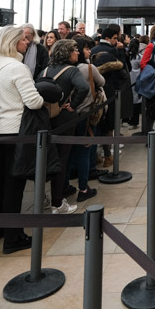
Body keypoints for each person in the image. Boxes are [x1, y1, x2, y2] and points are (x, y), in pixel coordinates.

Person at [0, 25, 44, 254]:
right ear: (12, 42)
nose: (27, 42)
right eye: (22, 40)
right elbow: (34, 102)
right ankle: (13, 236)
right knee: (14, 185)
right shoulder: (17, 67)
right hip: (16, 128)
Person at [44, 38, 91, 214]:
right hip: (64, 117)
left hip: (47, 118)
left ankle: (49, 197)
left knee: (49, 157)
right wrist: (73, 104)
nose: (77, 53)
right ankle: (58, 201)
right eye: (74, 50)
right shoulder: (71, 70)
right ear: (66, 53)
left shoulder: (46, 69)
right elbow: (83, 87)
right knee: (62, 159)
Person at [70, 38, 104, 202]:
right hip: (85, 113)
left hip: (67, 117)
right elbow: (101, 82)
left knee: (68, 152)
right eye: (86, 49)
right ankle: (83, 188)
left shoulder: (60, 68)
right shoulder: (87, 68)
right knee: (85, 149)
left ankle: (64, 186)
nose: (89, 51)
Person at [92, 24, 131, 167]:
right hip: (110, 91)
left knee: (95, 122)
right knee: (108, 124)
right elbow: (124, 71)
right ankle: (108, 155)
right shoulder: (113, 51)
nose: (117, 40)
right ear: (108, 38)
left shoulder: (93, 50)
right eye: (115, 38)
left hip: (95, 92)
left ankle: (95, 155)